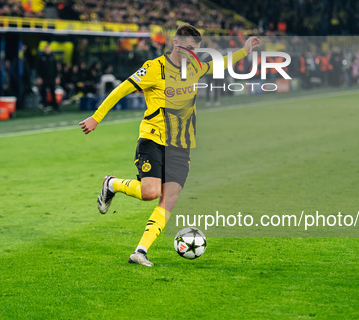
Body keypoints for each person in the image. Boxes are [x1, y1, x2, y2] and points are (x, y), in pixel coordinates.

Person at [80, 24, 259, 267]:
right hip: (153, 138)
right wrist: (97, 117)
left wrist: (244, 51)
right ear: (176, 44)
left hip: (181, 144)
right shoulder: (154, 68)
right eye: (187, 48)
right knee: (150, 193)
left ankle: (141, 251)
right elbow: (122, 89)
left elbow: (217, 65)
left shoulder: (194, 67)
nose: (191, 54)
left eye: (195, 49)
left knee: (169, 198)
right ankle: (111, 184)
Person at [35, 44, 60, 113]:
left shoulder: (52, 57)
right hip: (44, 78)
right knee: (44, 93)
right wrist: (39, 77)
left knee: (53, 93)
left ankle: (56, 107)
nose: (47, 50)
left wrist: (57, 77)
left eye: (48, 49)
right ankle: (45, 106)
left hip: (51, 78)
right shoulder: (41, 57)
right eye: (46, 49)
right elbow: (38, 68)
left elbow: (55, 68)